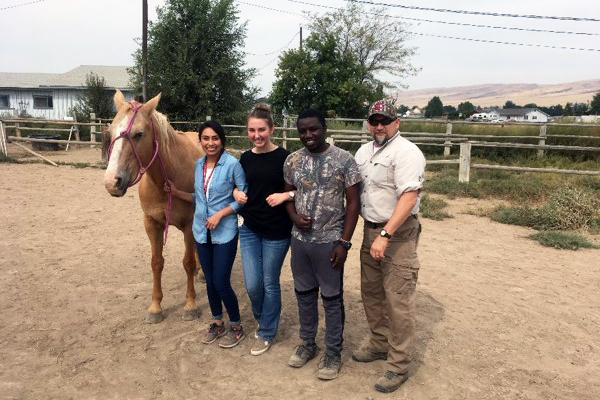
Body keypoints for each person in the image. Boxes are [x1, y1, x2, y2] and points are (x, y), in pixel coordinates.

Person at [352, 100, 426, 393]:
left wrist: (385, 234)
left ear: (397, 122)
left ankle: (398, 365)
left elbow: (409, 197)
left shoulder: (407, 153)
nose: (379, 126)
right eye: (374, 121)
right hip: (370, 229)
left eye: (385, 120)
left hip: (395, 234)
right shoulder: (364, 152)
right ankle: (379, 343)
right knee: (371, 292)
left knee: (398, 298)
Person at [283, 108, 361, 380]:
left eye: (313, 129)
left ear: (324, 128)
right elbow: (288, 195)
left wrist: (344, 242)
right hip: (300, 242)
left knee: (331, 298)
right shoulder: (293, 160)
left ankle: (333, 352)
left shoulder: (344, 161)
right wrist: (294, 216)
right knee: (303, 294)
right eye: (303, 131)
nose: (308, 135)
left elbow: (353, 203)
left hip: (330, 243)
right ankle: (307, 343)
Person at [168, 120, 248, 348]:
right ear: (200, 141)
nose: (210, 143)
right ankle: (217, 322)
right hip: (201, 234)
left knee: (221, 281)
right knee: (210, 282)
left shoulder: (232, 165)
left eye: (215, 138)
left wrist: (220, 214)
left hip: (225, 233)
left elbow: (242, 199)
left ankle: (236, 326)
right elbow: (199, 198)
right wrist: (176, 193)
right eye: (206, 139)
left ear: (222, 140)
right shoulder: (199, 165)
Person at [232, 103, 293, 356]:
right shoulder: (245, 158)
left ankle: (267, 331)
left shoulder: (286, 158)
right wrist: (235, 192)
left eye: (261, 130)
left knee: (269, 282)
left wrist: (285, 195)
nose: (256, 135)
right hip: (249, 228)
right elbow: (235, 185)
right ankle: (264, 317)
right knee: (253, 284)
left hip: (277, 230)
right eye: (252, 130)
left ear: (272, 129)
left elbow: (305, 189)